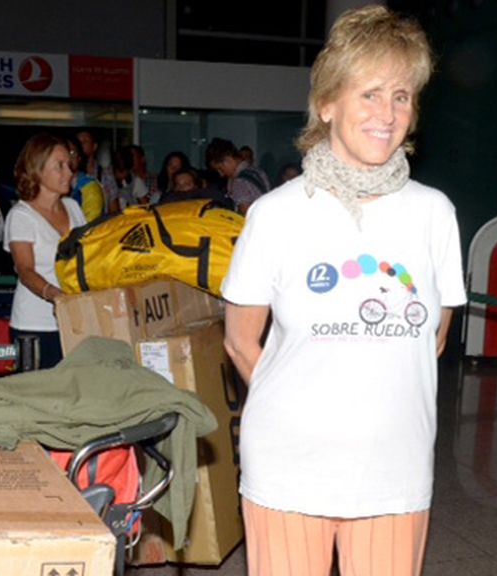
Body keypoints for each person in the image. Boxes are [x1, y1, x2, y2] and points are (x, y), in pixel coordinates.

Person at [220, 6, 466, 576]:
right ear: (327, 103)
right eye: (370, 94)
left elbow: (431, 339)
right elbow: (239, 343)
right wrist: (304, 405)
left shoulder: (434, 215)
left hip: (394, 475)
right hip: (288, 470)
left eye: (401, 96)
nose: (388, 113)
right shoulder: (276, 216)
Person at [4, 133, 86, 369]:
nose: (69, 172)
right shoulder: (21, 215)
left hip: (75, 320)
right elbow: (25, 270)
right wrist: (54, 295)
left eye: (68, 165)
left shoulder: (73, 208)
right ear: (37, 170)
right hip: (36, 323)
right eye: (59, 166)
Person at [204, 137, 271, 215]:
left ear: (228, 160)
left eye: (220, 168)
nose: (221, 174)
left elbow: (246, 213)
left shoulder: (239, 182)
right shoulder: (258, 171)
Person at [67, 137, 106, 223]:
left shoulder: (89, 186)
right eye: (65, 153)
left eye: (72, 153)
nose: (68, 158)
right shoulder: (52, 185)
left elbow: (88, 226)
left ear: (79, 158)